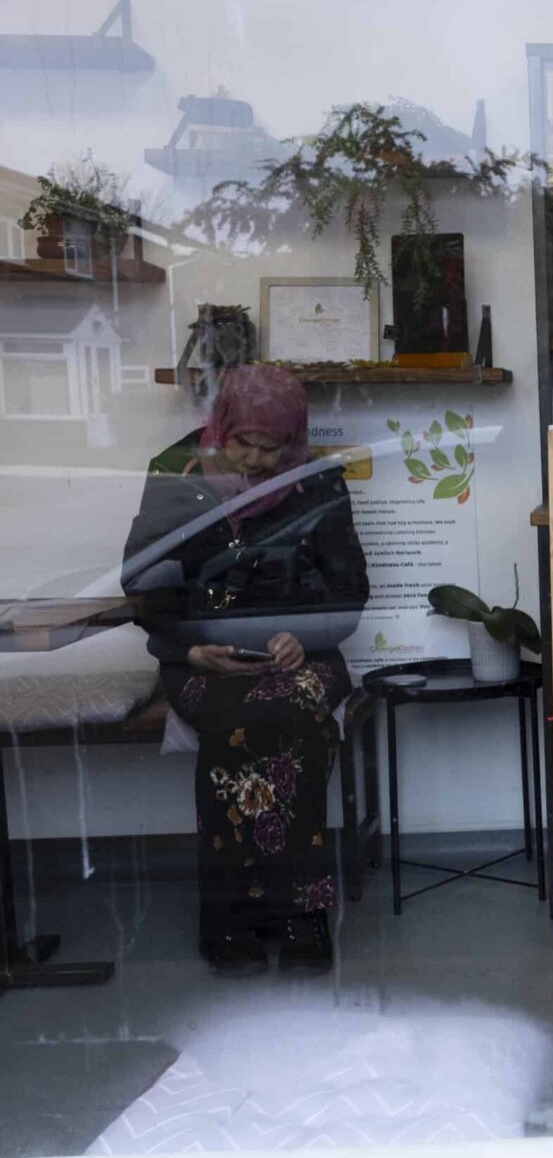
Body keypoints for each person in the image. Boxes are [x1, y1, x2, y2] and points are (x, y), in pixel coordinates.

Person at [124, 364, 368, 976]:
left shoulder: (316, 481)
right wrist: (190, 651)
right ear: (221, 428)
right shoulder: (177, 471)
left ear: (294, 441)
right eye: (243, 444)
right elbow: (146, 587)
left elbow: (350, 589)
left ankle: (300, 914)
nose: (256, 462)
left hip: (302, 654)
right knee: (238, 717)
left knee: (297, 714)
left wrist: (304, 634)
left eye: (271, 448)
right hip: (198, 654)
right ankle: (234, 914)